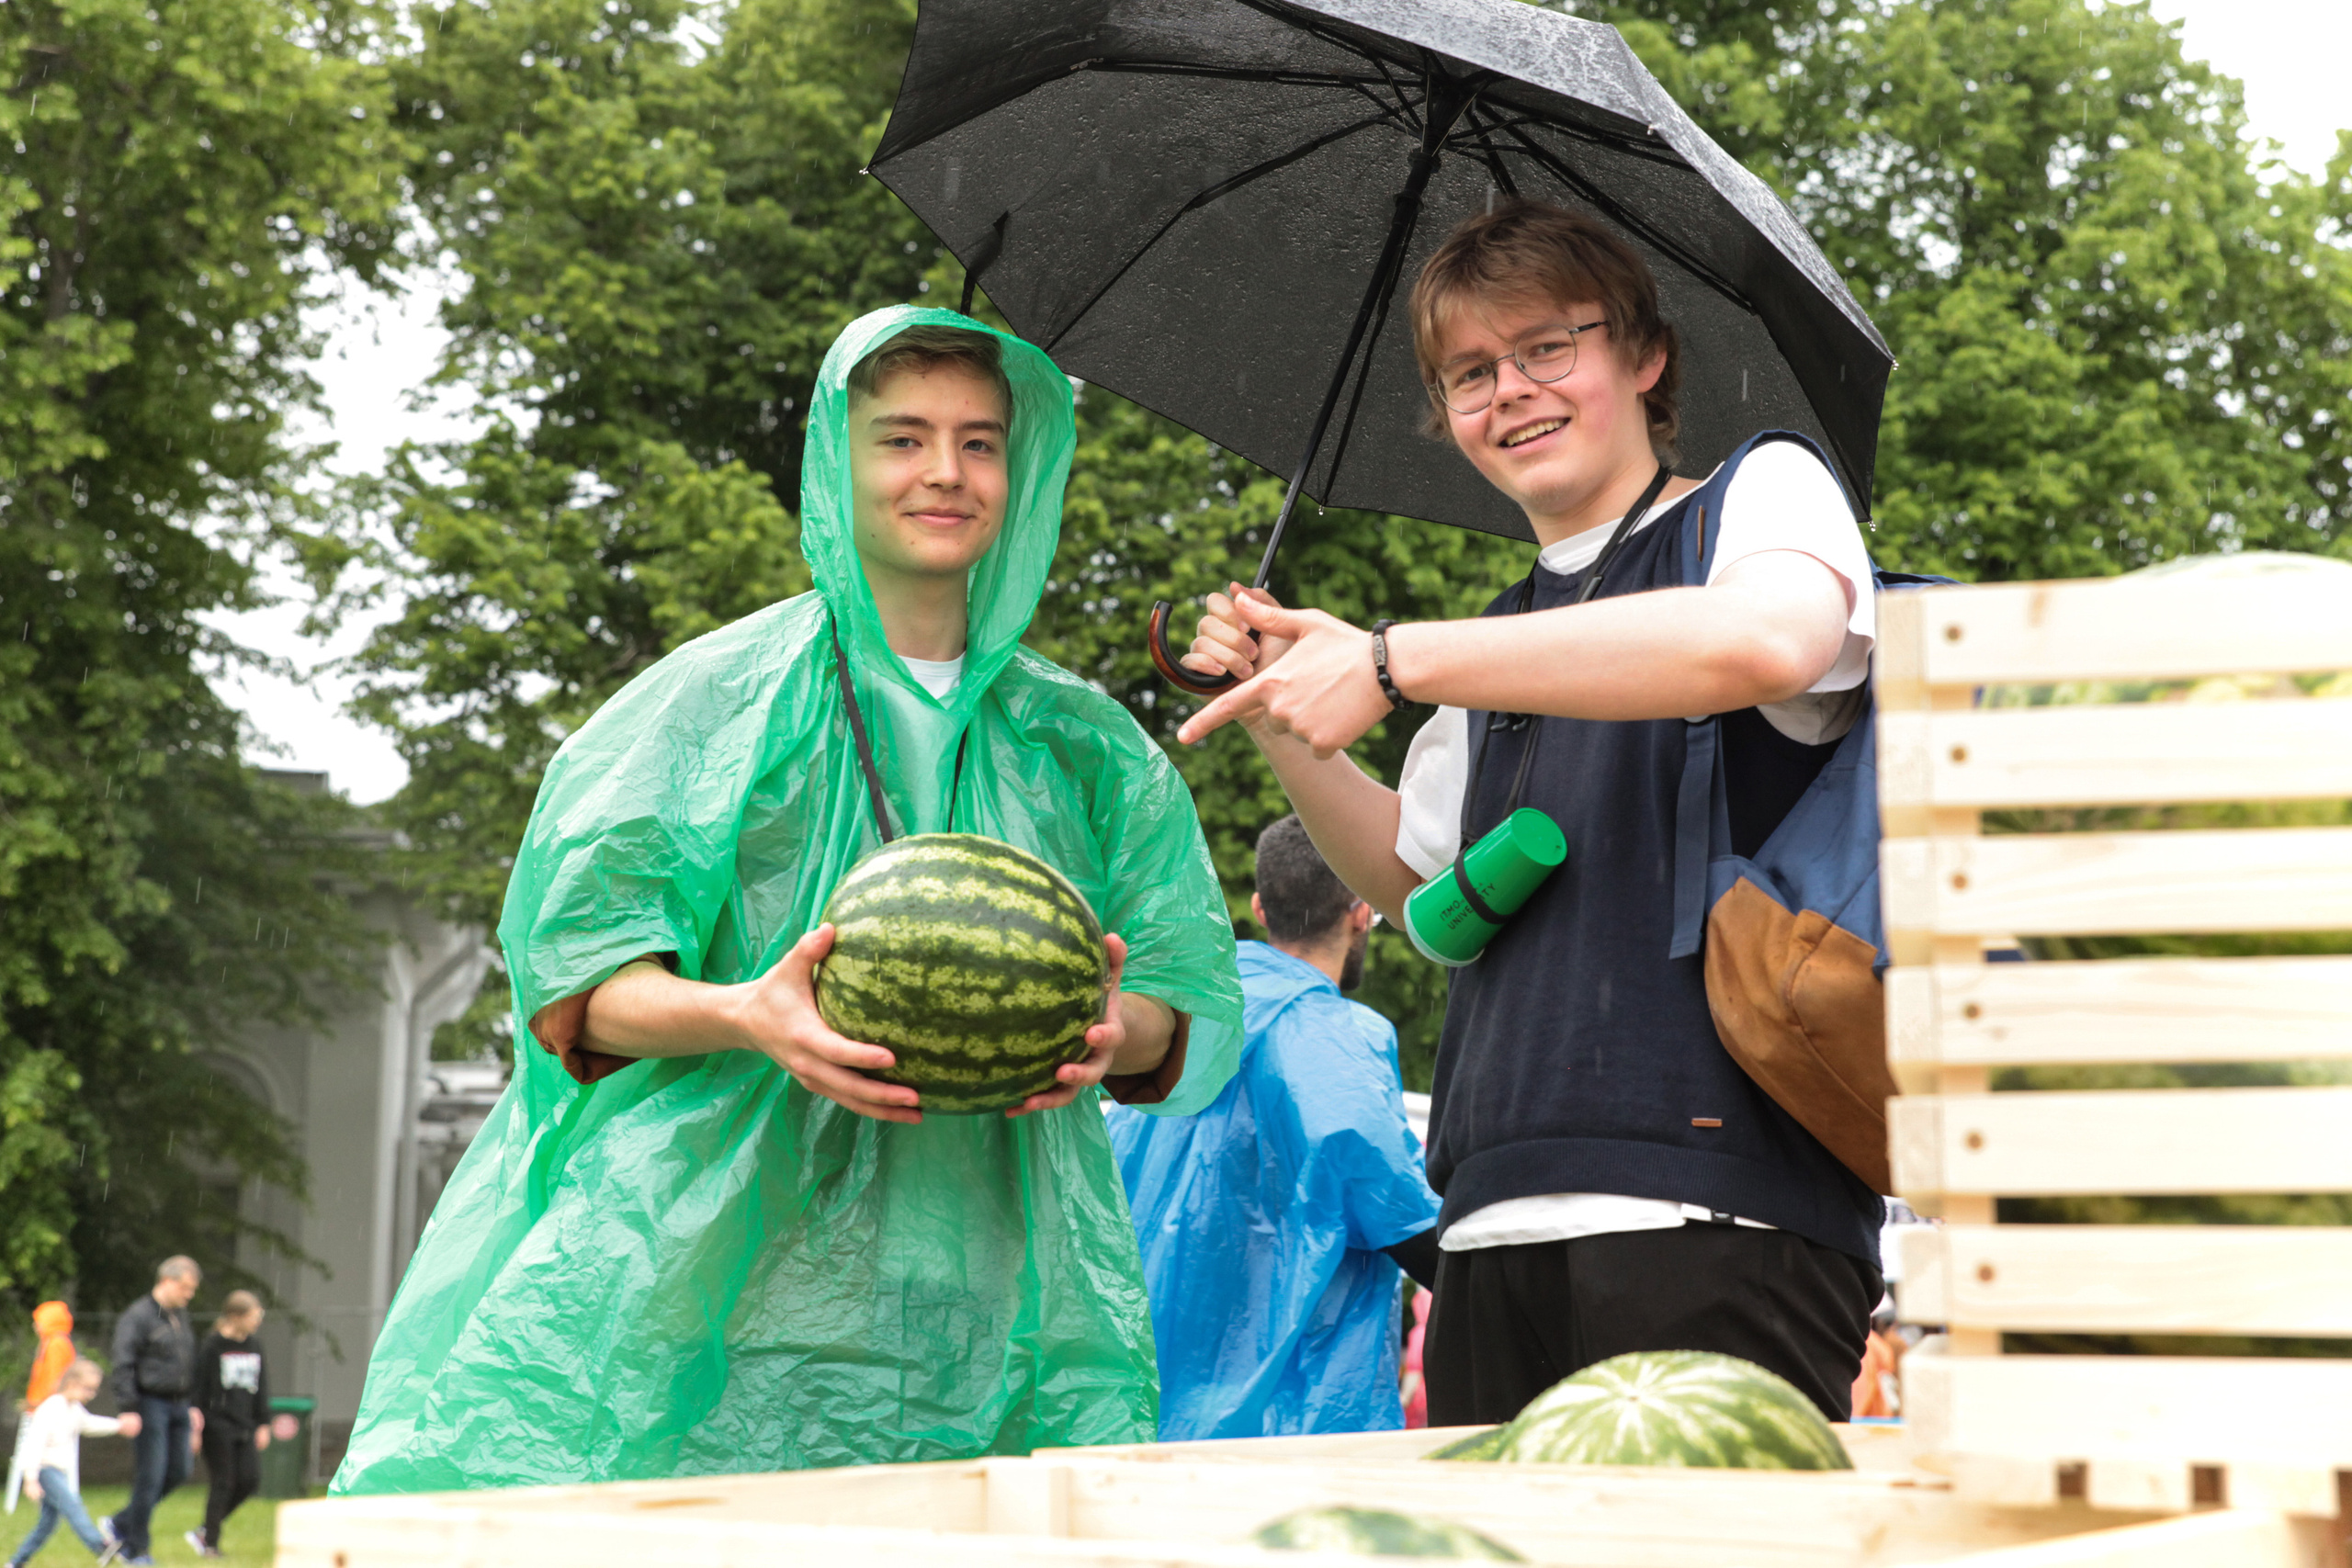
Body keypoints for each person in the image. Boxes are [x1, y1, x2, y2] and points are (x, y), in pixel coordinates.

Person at [331, 308, 1243, 1494]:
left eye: (979, 442)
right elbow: (579, 985)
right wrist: (751, 1013)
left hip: (992, 1307)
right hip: (714, 1293)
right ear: (836, 457)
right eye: (902, 438)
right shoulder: (712, 703)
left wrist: (1116, 1028)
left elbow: (1183, 999)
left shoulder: (1087, 745)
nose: (944, 473)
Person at [1178, 199, 1884, 1425]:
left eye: (1548, 347)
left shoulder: (1757, 494)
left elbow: (1768, 636)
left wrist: (1395, 659)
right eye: (1468, 372)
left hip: (1718, 1199)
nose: (1509, 390)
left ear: (1646, 355)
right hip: (1492, 1208)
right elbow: (1416, 882)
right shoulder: (1499, 637)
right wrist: (1281, 711)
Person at [1108, 815, 1441, 1440]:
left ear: (1260, 907)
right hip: (1290, 1429)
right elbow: (1410, 1221)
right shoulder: (1339, 1038)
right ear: (1362, 910)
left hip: (1138, 1419)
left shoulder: (1165, 1024)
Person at [187, 1292, 294, 1559]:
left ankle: (204, 1530)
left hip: (245, 1424)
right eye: (253, 1317)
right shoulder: (213, 1346)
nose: (257, 1322)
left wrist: (263, 1423)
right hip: (216, 1424)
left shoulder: (254, 1345)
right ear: (235, 1317)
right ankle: (210, 1543)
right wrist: (195, 1426)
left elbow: (262, 1386)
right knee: (223, 1482)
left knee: (250, 1480)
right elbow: (199, 1388)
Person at [107, 1258, 200, 1564]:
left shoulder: (179, 1316)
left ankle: (120, 1523)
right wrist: (129, 1407)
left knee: (179, 1471)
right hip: (149, 1404)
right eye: (185, 1288)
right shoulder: (138, 1316)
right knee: (151, 1475)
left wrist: (194, 1405)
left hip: (179, 1405)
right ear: (167, 1281)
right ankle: (136, 1548)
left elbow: (187, 1363)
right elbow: (123, 1362)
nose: (189, 1295)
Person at [6, 1359, 123, 1567]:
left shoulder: (73, 1408)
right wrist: (30, 1479)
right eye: (88, 1389)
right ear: (71, 1382)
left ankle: (16, 1562)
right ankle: (100, 1546)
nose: (91, 1395)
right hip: (44, 1470)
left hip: (57, 1471)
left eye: (93, 1390)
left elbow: (88, 1424)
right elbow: (34, 1444)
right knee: (73, 1506)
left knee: (46, 1525)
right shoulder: (51, 1408)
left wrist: (119, 1426)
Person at [6, 1303, 78, 1515]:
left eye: (39, 1321)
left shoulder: (56, 1343)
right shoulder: (54, 1342)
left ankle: (45, 1495)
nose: (35, 1326)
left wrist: (38, 1404)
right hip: (43, 1406)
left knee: (34, 1454)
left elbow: (54, 1379)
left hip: (46, 1409)